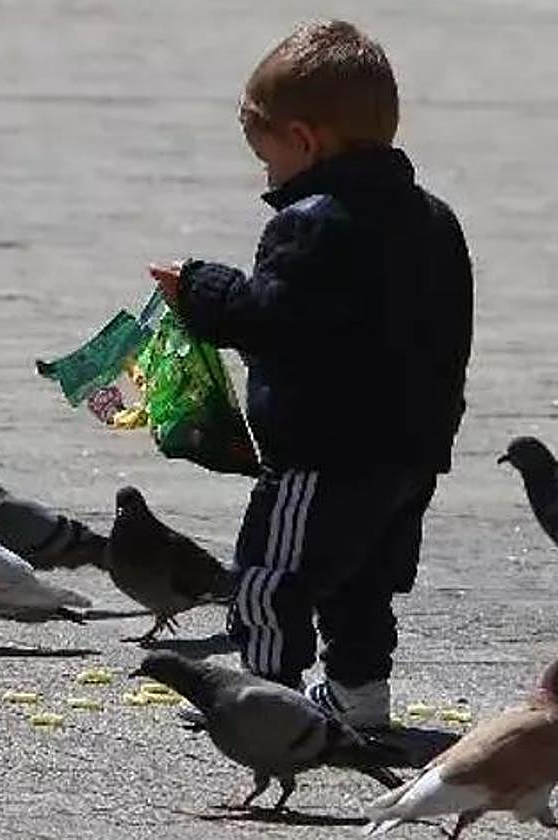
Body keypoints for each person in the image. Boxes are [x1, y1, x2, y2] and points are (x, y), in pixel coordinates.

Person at [150, 19, 473, 728]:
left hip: (325, 452)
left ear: (304, 140)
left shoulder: (312, 222)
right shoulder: (435, 218)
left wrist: (203, 290)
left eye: (265, 157)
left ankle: (267, 702)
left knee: (271, 577)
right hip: (410, 454)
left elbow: (269, 319)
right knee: (359, 582)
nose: (265, 175)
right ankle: (359, 696)